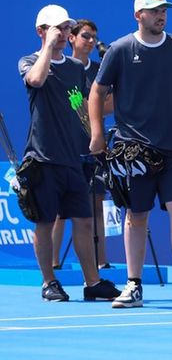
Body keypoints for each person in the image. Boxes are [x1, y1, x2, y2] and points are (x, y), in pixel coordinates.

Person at [88, 0, 172, 310]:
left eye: (164, 10)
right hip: (133, 150)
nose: (161, 15)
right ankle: (133, 285)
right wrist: (97, 134)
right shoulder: (119, 49)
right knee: (136, 214)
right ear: (138, 15)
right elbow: (96, 92)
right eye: (154, 10)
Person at [19, 4, 121, 302]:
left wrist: (93, 136)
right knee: (46, 222)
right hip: (42, 158)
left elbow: (79, 105)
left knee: (84, 219)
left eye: (66, 28)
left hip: (74, 159)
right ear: (41, 32)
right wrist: (48, 48)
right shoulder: (29, 61)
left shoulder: (76, 68)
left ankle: (92, 282)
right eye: (57, 29)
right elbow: (36, 81)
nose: (64, 34)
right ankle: (49, 282)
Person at [52, 19, 114, 270]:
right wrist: (91, 107)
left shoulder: (102, 70)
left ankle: (101, 261)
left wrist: (92, 109)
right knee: (59, 209)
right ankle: (54, 263)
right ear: (72, 39)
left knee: (96, 202)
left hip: (95, 146)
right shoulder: (65, 68)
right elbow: (73, 107)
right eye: (85, 36)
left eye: (93, 37)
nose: (90, 42)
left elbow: (111, 105)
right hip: (67, 146)